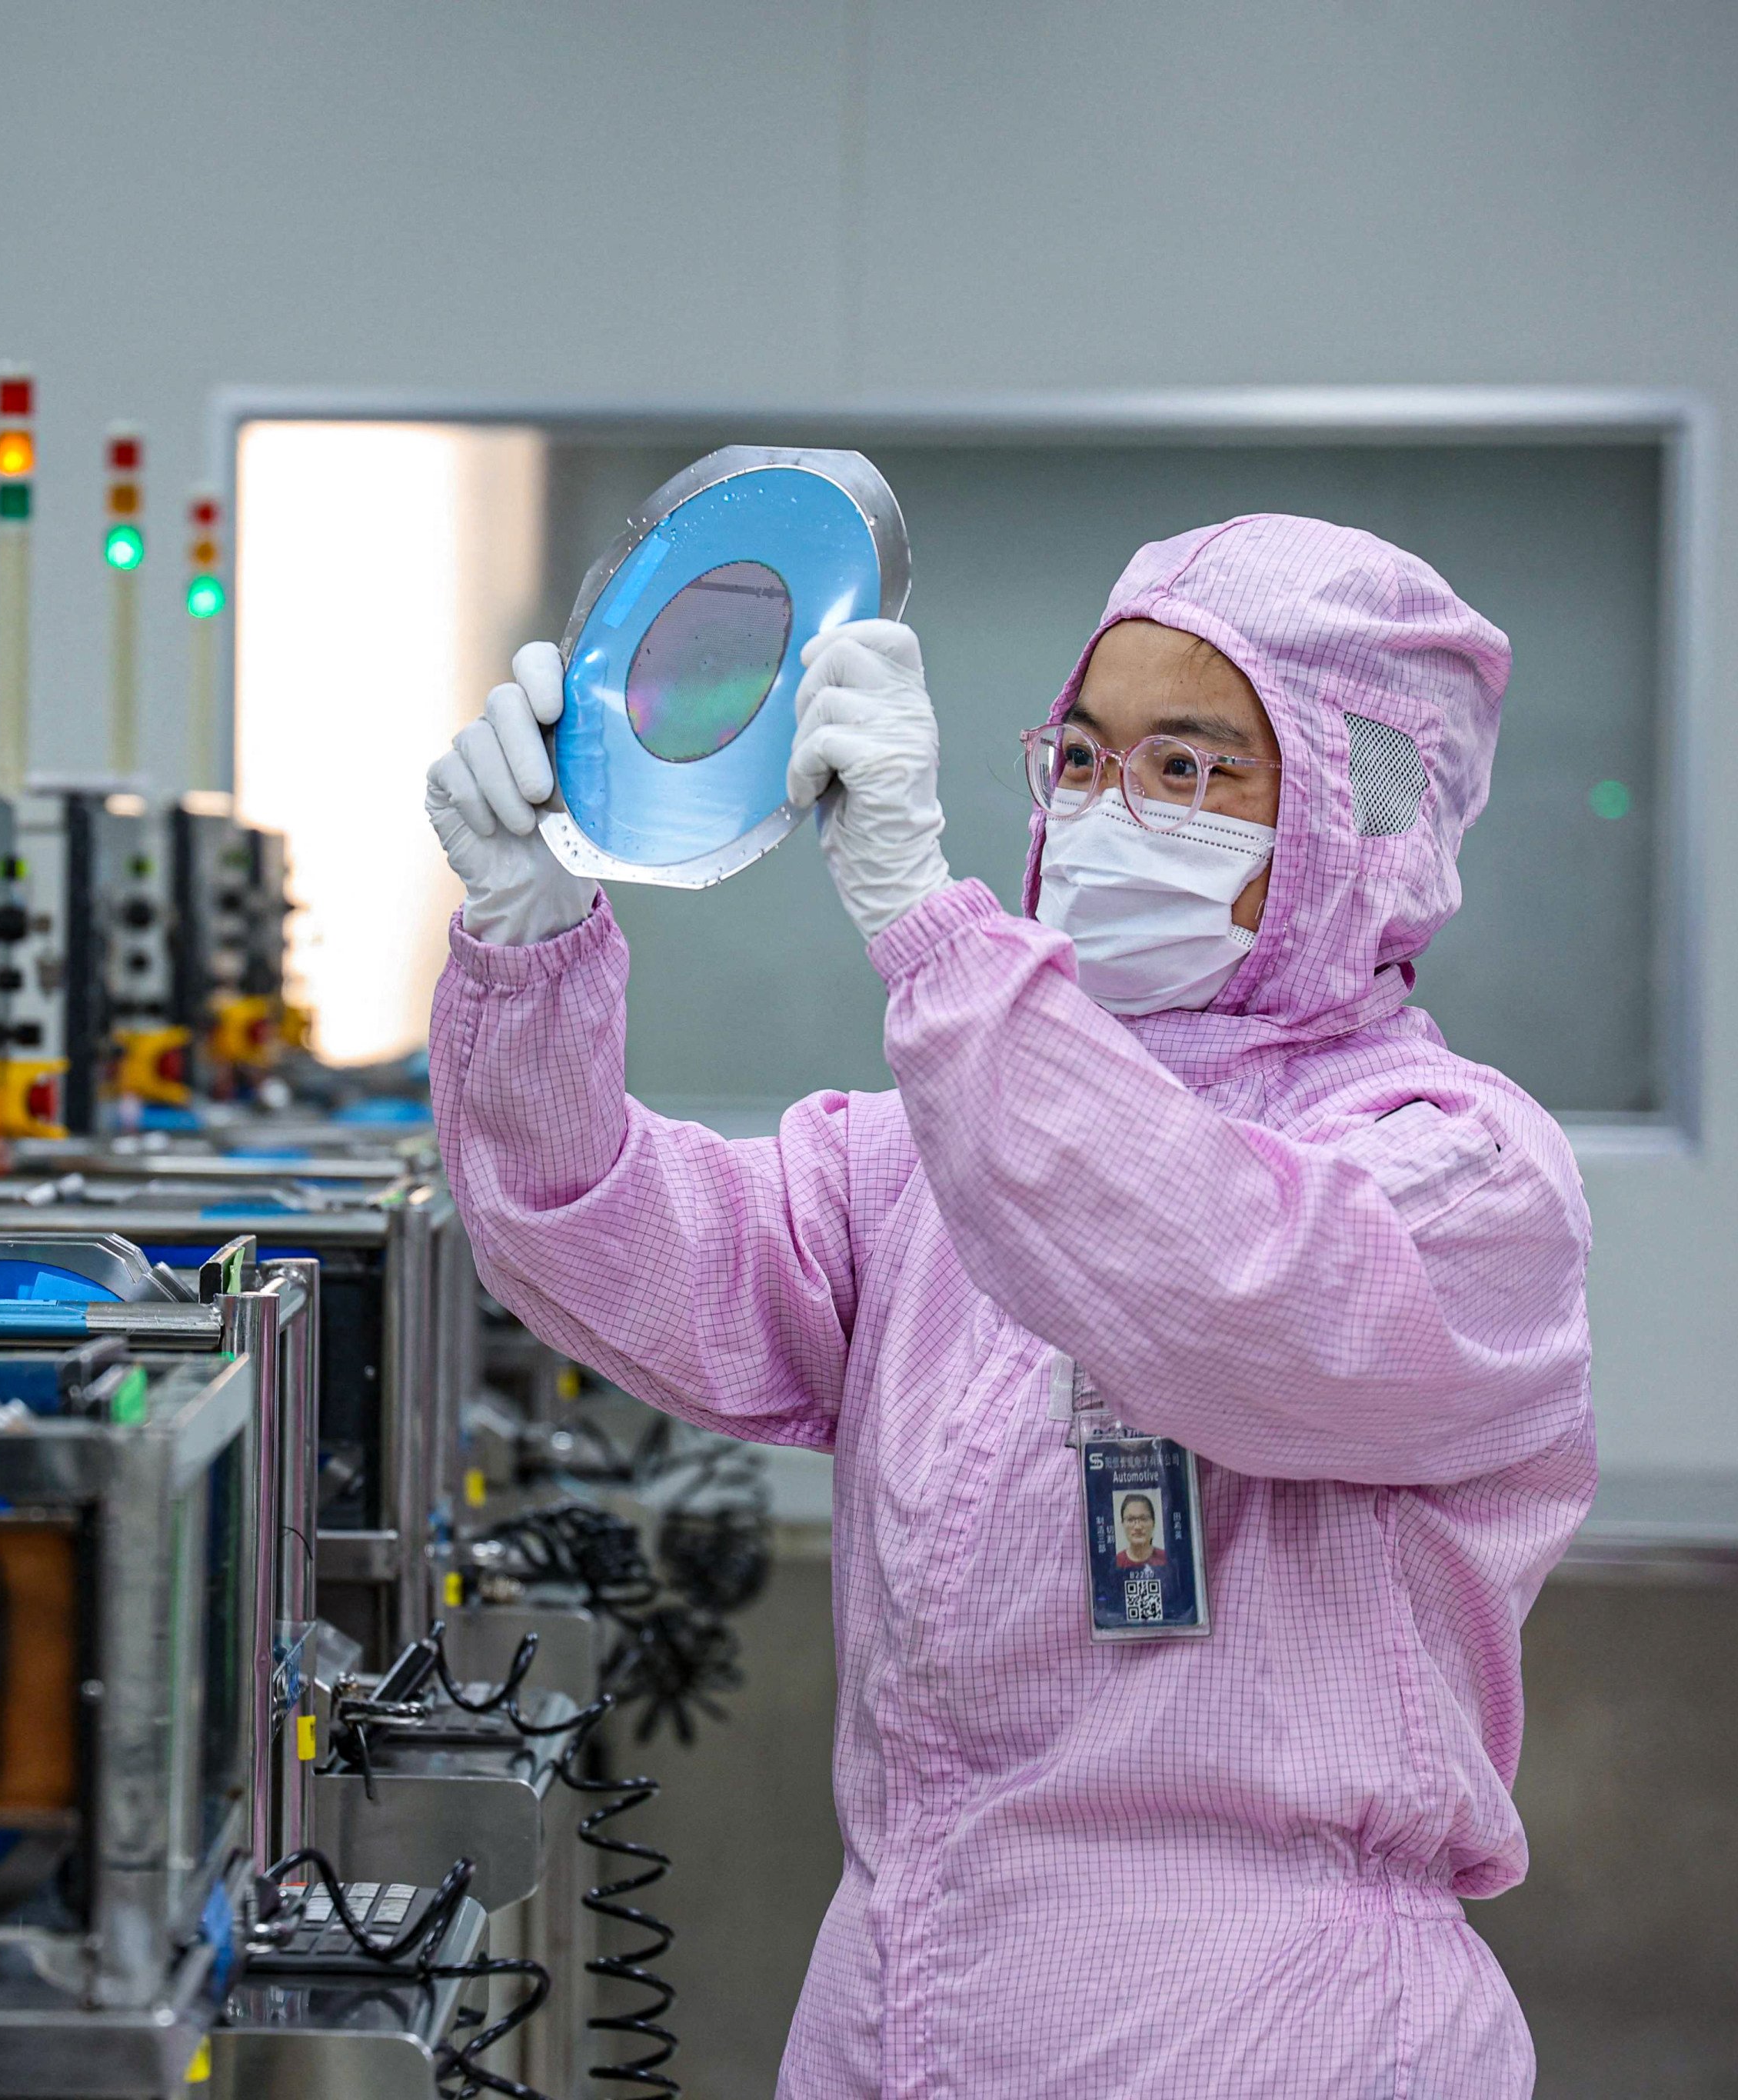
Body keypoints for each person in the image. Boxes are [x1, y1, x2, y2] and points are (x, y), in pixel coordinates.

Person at [422, 515, 1593, 2095]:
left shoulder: (1456, 1180)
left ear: (1354, 816)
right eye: (1087, 756)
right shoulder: (926, 1155)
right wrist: (530, 930)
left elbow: (1203, 1273)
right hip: (906, 2007)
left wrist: (927, 924)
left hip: (1268, 2040)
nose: (1113, 810)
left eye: (1189, 770)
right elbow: (594, 1236)